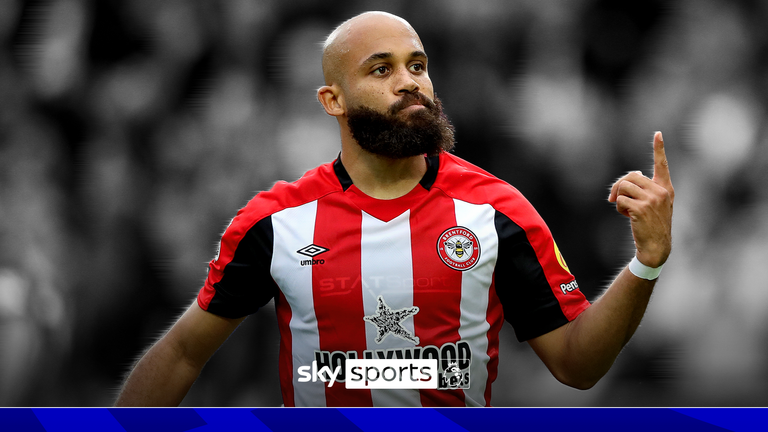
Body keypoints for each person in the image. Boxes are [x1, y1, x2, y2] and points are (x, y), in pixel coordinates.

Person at [114, 11, 674, 407]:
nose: (409, 81)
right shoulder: (275, 221)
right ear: (332, 100)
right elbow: (184, 354)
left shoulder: (496, 210)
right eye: (381, 69)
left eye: (418, 65)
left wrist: (645, 263)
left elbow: (577, 365)